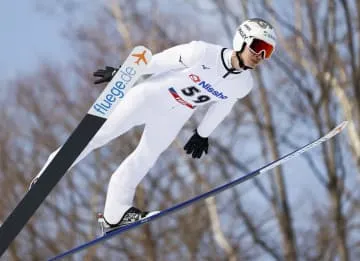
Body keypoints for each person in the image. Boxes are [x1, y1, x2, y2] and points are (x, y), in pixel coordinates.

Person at [31, 18, 276, 232]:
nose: (261, 55)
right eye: (258, 46)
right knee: (101, 134)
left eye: (268, 51)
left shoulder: (243, 84)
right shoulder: (202, 52)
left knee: (146, 156)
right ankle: (49, 174)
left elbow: (223, 106)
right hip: (149, 96)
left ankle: (114, 215)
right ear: (241, 40)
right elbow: (161, 61)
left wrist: (203, 133)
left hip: (177, 114)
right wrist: (125, 72)